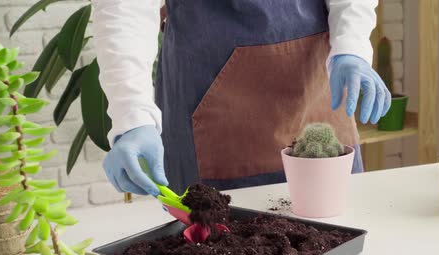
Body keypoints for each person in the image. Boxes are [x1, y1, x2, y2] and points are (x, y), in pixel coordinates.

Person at [91, 0, 391, 196]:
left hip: (314, 89)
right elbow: (124, 8)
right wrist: (132, 116)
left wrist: (351, 47)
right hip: (208, 100)